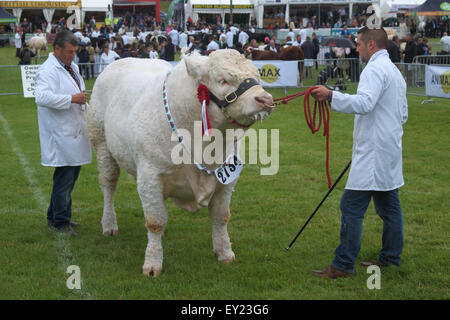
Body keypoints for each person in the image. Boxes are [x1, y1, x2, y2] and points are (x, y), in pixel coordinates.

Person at [310, 27, 408, 279]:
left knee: (351, 206)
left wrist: (331, 95)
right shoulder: (394, 71)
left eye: (360, 45)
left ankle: (343, 264)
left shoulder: (374, 69)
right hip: (387, 147)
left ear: (372, 45)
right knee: (389, 206)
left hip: (375, 150)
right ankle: (390, 257)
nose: (357, 49)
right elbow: (403, 114)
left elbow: (364, 103)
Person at [34, 30, 92, 236]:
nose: (72, 55)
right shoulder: (47, 70)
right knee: (64, 179)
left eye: (75, 51)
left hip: (73, 131)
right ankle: (60, 222)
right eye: (69, 51)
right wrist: (71, 99)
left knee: (68, 179)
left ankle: (56, 216)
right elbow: (41, 97)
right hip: (60, 134)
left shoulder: (72, 67)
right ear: (56, 49)